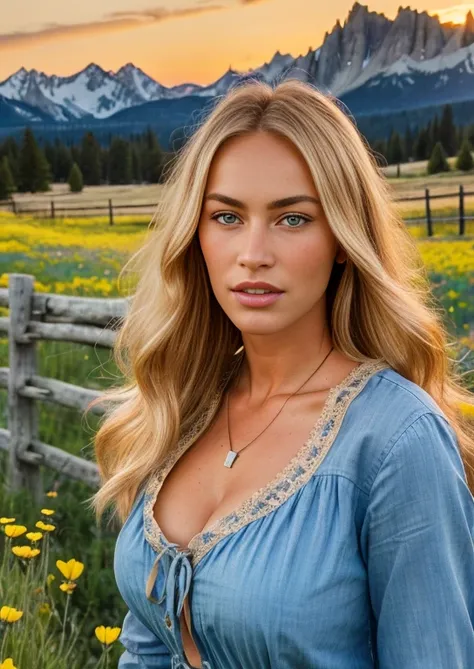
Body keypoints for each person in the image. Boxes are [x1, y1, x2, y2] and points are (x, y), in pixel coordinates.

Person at [87, 78, 474, 668]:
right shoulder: (183, 404)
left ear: (344, 239)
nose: (253, 253)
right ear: (196, 233)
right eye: (227, 217)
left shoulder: (397, 440)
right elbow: (147, 646)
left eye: (292, 219)